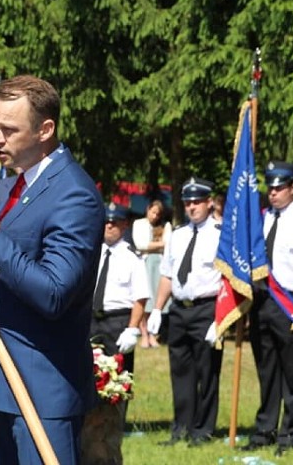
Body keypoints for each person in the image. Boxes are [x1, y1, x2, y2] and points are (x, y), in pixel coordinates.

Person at [0, 75, 104, 464]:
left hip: (44, 385)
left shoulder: (73, 193)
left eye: (9, 129)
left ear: (45, 129)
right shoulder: (2, 188)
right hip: (0, 380)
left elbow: (53, 292)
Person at [243, 161, 293, 455]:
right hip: (261, 301)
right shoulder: (261, 220)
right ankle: (265, 428)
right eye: (271, 187)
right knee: (266, 369)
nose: (274, 192)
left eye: (280, 187)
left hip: (291, 301)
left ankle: (291, 433)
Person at [146, 178, 223, 446]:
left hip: (207, 309)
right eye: (187, 203)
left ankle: (203, 430)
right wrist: (157, 309)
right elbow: (167, 275)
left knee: (207, 372)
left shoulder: (221, 234)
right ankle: (181, 428)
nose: (191, 207)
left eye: (197, 202)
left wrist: (221, 317)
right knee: (180, 373)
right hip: (179, 309)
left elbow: (228, 280)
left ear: (209, 202)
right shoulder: (177, 235)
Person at [90, 202, 149, 376]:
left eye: (114, 222)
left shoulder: (132, 257)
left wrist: (132, 329)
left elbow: (140, 297)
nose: (109, 226)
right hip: (91, 321)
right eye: (106, 222)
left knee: (117, 381)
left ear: (125, 225)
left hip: (117, 322)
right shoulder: (91, 252)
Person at [132, 199, 172, 348]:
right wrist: (159, 244)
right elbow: (140, 244)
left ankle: (153, 334)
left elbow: (169, 243)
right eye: (153, 212)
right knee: (145, 299)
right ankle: (144, 334)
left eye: (158, 214)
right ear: (147, 210)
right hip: (145, 263)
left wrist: (152, 246)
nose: (155, 216)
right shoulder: (139, 224)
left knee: (156, 300)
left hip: (159, 264)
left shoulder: (165, 226)